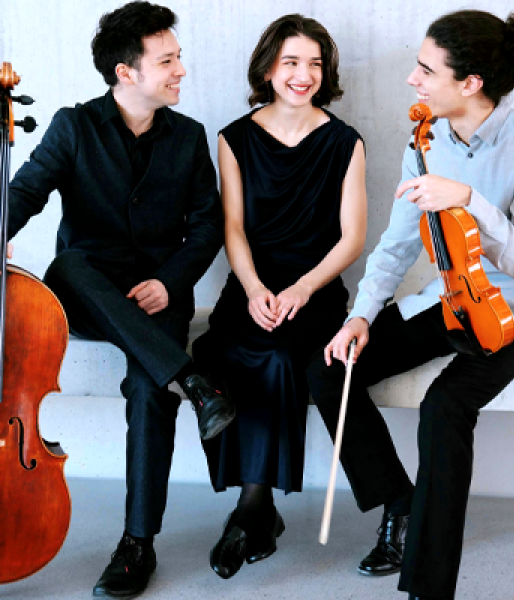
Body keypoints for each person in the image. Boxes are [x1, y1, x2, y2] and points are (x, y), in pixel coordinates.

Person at [0, 2, 235, 596]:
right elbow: (25, 190)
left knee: (146, 385)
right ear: (125, 72)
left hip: (160, 294)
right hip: (88, 291)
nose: (181, 69)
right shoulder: (74, 125)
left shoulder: (187, 138)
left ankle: (138, 545)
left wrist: (171, 280)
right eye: (167, 60)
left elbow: (209, 226)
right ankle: (193, 380)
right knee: (68, 263)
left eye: (178, 56)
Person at [306, 10, 514, 600]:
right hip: (450, 293)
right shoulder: (424, 139)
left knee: (444, 407)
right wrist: (360, 316)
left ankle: (428, 587)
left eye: (427, 70)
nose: (413, 79)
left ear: (470, 82)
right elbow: (399, 242)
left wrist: (470, 197)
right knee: (331, 371)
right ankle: (401, 504)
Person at [191, 14, 367, 579]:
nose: (304, 74)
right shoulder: (234, 137)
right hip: (252, 287)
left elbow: (352, 238)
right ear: (268, 68)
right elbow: (233, 228)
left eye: (315, 63)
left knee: (283, 358)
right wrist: (253, 288)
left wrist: (302, 287)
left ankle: (252, 509)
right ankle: (258, 508)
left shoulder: (345, 142)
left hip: (312, 292)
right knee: (220, 357)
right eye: (291, 62)